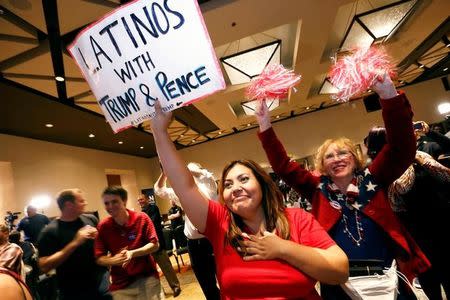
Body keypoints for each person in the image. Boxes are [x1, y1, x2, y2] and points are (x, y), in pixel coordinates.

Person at [150, 101, 349, 299]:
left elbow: (340, 270)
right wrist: (159, 133)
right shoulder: (220, 224)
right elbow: (185, 185)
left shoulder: (297, 219)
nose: (235, 188)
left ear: (262, 185)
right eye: (227, 185)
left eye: (244, 179)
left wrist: (283, 248)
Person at [255, 74, 430, 299]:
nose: (336, 159)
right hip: (339, 285)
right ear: (322, 165)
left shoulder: (372, 179)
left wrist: (389, 95)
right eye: (329, 156)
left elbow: (401, 147)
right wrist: (264, 124)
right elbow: (282, 166)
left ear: (354, 157)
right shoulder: (317, 189)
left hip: (388, 280)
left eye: (342, 153)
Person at [366, 126, 450, 300]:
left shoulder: (421, 156)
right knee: (431, 283)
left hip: (442, 226)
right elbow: (400, 189)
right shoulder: (379, 171)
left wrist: (421, 151)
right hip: (416, 235)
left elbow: (446, 177)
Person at [155, 164, 221, 300]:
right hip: (193, 245)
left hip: (213, 241)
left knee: (224, 279)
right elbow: (159, 191)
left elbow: (204, 174)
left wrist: (177, 165)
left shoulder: (207, 185)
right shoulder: (181, 191)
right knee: (207, 285)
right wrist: (165, 173)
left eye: (189, 169)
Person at [37, 189, 111, 300]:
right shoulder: (50, 231)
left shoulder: (91, 219)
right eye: (81, 201)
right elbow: (44, 266)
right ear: (69, 205)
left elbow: (102, 247)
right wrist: (75, 243)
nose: (85, 203)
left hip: (101, 284)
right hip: (73, 291)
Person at [95, 186, 163, 300]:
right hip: (120, 285)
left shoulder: (141, 218)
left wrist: (132, 253)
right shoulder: (103, 227)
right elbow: (99, 257)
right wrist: (113, 260)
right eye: (106, 203)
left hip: (146, 278)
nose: (110, 206)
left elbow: (155, 245)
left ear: (124, 201)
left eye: (114, 201)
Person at [138, 193, 181, 297]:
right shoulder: (141, 213)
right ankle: (160, 291)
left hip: (158, 245)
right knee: (152, 272)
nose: (140, 202)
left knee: (166, 268)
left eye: (142, 199)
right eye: (139, 200)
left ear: (147, 199)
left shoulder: (154, 208)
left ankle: (176, 287)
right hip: (148, 247)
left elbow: (151, 224)